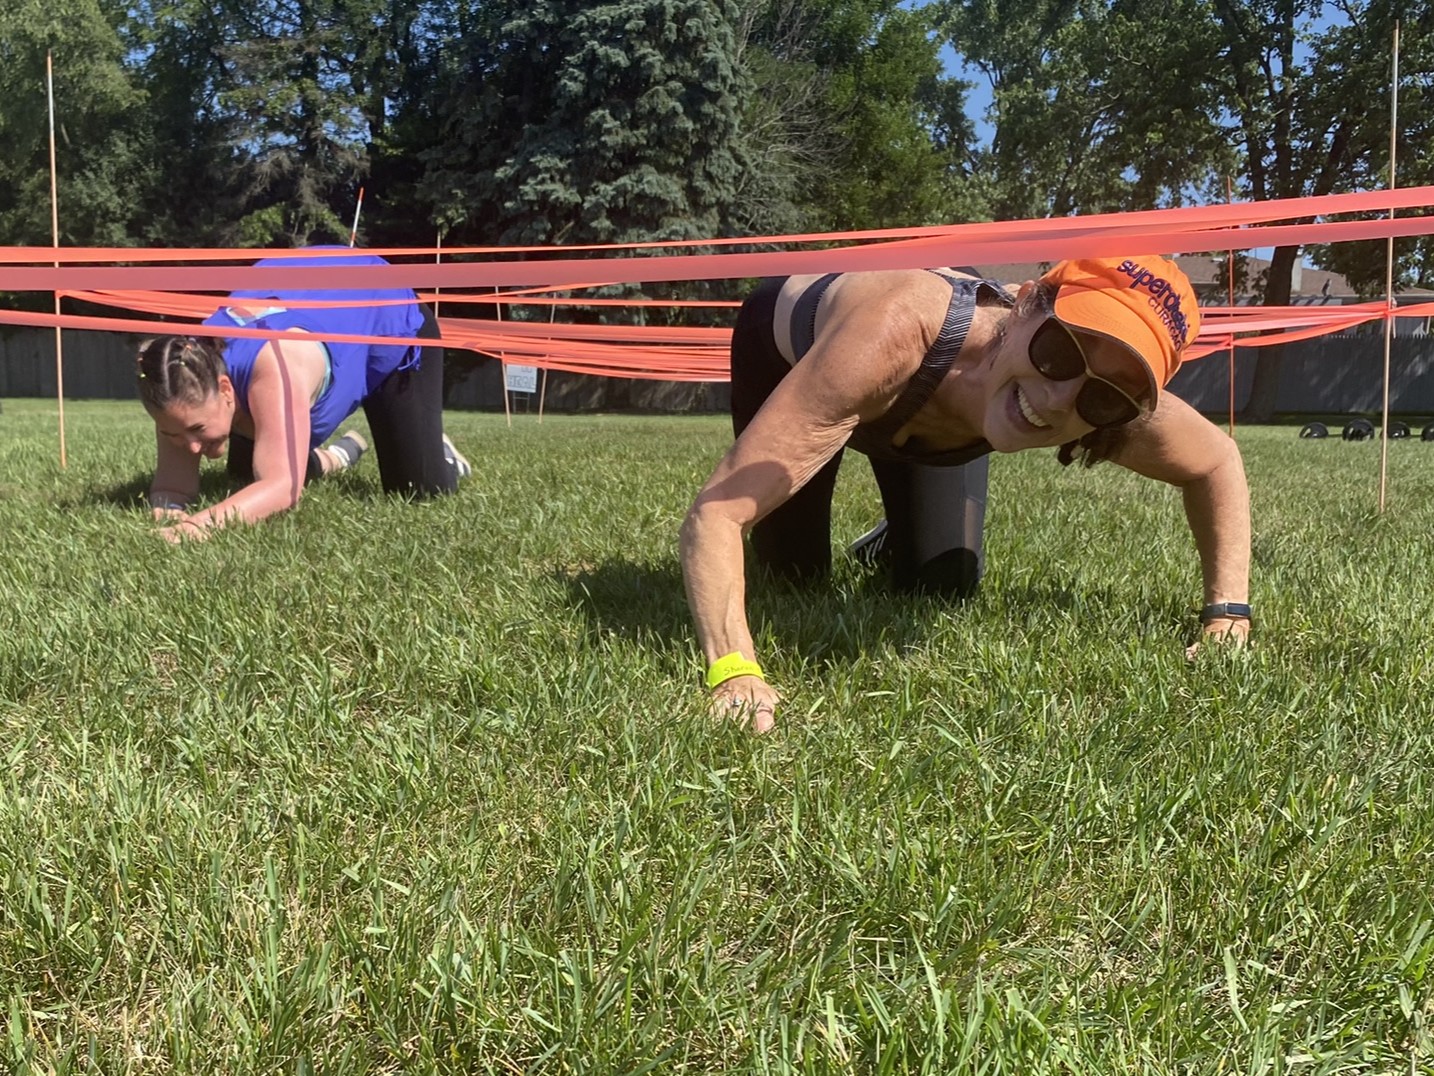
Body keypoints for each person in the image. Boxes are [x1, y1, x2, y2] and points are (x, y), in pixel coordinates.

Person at [681, 256, 1251, 732]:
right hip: (791, 343)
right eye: (1060, 351)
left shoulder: (1109, 407)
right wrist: (733, 671)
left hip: (917, 390)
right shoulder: (898, 331)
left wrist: (1228, 617)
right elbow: (718, 513)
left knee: (940, 586)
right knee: (793, 576)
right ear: (1025, 304)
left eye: (1104, 398)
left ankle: (888, 538)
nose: (1058, 400)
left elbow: (1216, 461)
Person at [137, 248, 470, 541]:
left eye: (197, 430)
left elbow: (283, 488)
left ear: (226, 389)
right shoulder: (178, 378)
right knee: (244, 474)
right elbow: (172, 489)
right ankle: (338, 456)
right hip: (317, 306)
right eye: (172, 433)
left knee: (419, 491)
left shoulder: (277, 366)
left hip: (388, 322)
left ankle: (440, 450)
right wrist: (169, 512)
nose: (191, 446)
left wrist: (196, 529)